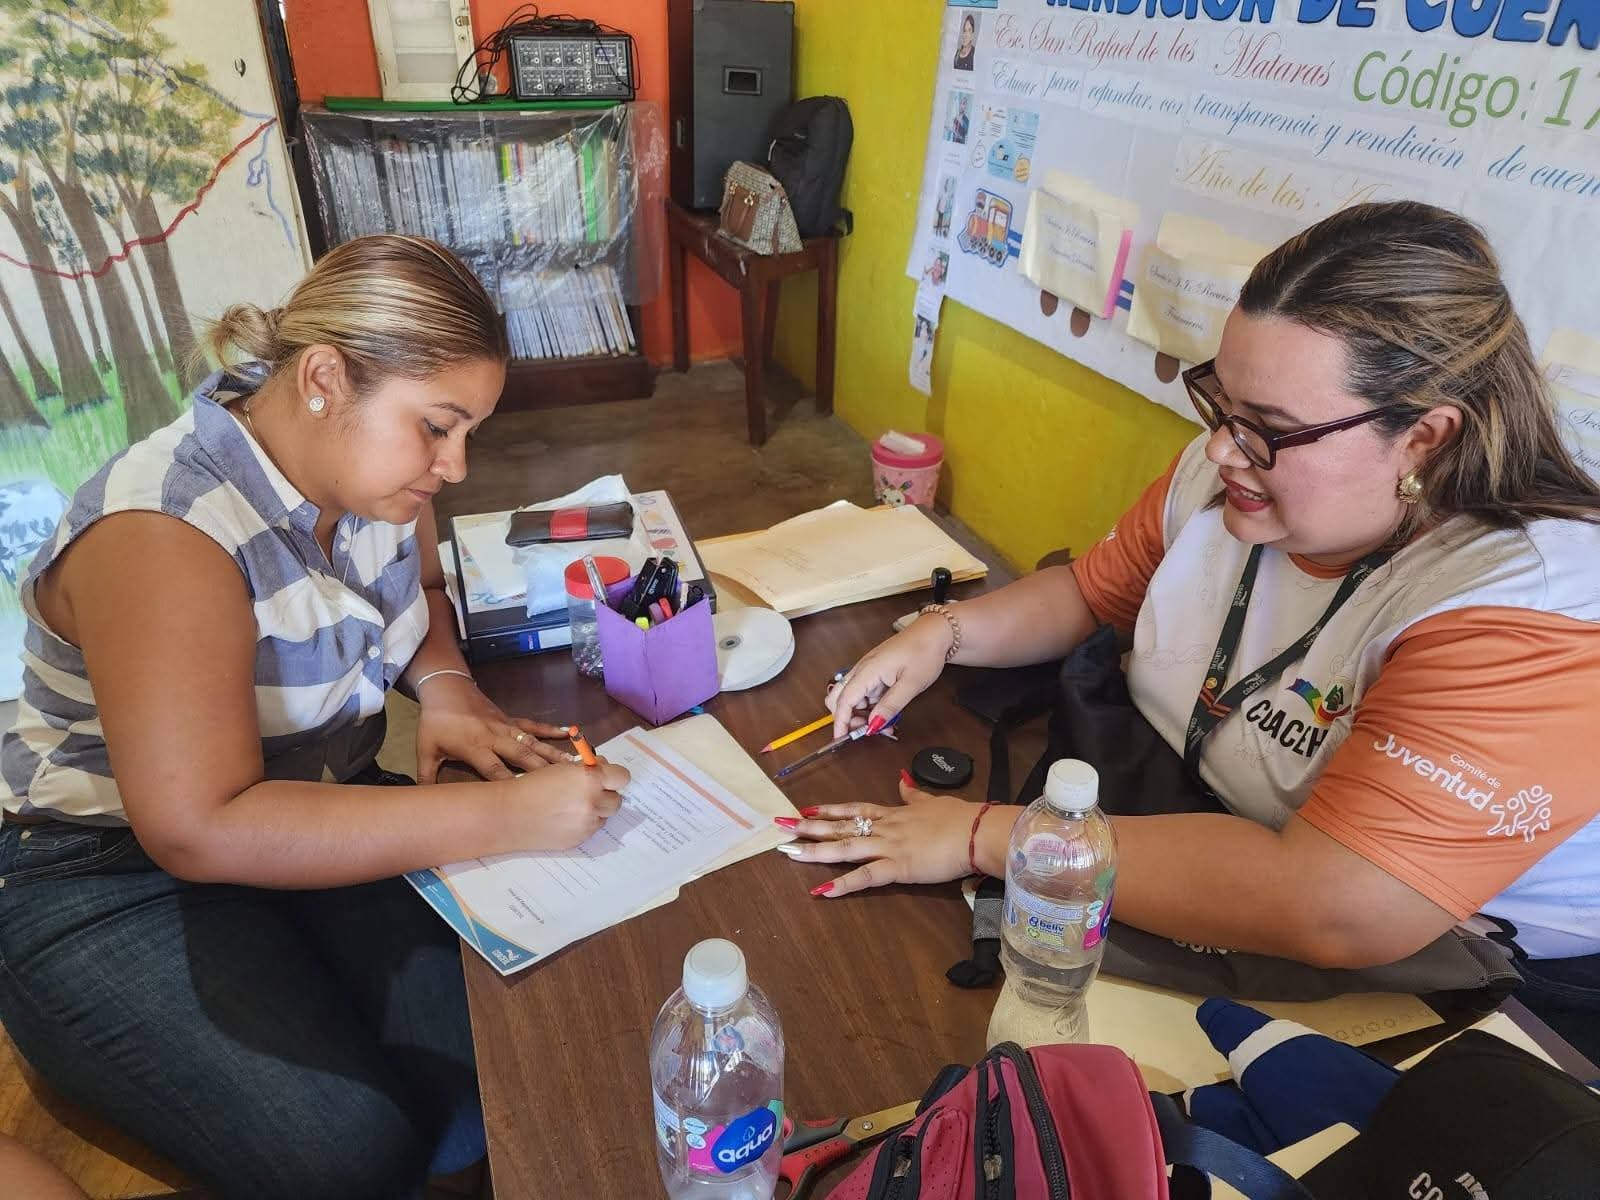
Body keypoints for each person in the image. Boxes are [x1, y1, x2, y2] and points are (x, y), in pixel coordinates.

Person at [783, 201, 1600, 1058]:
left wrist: (990, 838)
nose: (1221, 451)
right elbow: (1093, 594)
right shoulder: (1229, 483)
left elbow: (1334, 904)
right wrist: (942, 632)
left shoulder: (1532, 608)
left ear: (1424, 440)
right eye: (1221, 402)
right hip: (1190, 829)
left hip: (1466, 995)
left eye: (1271, 429)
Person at [0, 235, 630, 1199]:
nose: (456, 465)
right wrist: (508, 814)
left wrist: (448, 690)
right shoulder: (164, 532)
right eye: (438, 426)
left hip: (310, 796)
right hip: (104, 872)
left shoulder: (375, 476)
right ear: (326, 379)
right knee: (348, 1153)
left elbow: (421, 590)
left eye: (469, 431)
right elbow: (199, 825)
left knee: (491, 1063)